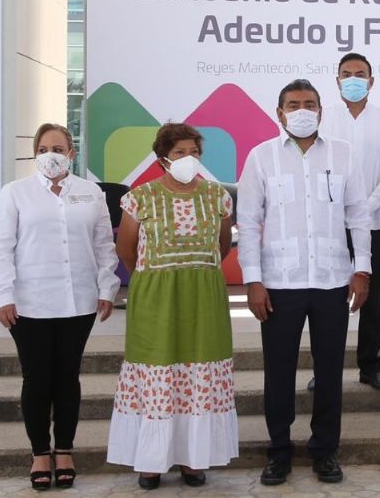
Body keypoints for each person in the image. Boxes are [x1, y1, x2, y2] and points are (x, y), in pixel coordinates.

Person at [237, 79, 371, 486]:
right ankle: (278, 451)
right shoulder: (261, 159)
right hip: (280, 282)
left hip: (332, 281)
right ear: (279, 113)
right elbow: (249, 221)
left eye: (309, 103)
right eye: (293, 104)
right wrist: (253, 280)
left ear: (320, 110)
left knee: (330, 371)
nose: (302, 110)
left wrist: (362, 269)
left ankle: (325, 451)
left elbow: (359, 217)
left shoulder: (345, 155)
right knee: (279, 371)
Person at [0, 123, 119, 490]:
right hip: (29, 304)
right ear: (35, 153)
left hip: (78, 300)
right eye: (43, 148)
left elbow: (104, 245)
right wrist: (2, 295)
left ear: (71, 153)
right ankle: (40, 453)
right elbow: (0, 248)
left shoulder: (91, 193)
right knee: (36, 379)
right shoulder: (15, 193)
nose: (50, 154)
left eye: (58, 148)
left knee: (67, 378)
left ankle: (65, 451)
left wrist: (106, 287)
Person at [106, 123, 237, 489]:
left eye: (193, 152)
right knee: (158, 374)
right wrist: (155, 279)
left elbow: (222, 247)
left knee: (197, 376)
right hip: (155, 301)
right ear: (162, 157)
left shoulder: (217, 197)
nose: (188, 159)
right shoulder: (140, 197)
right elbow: (126, 251)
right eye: (179, 153)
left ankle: (194, 460)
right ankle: (151, 462)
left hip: (204, 298)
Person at [316, 52, 380, 391]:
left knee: (373, 298)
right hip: (330, 225)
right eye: (346, 73)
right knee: (328, 300)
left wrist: (364, 206)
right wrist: (340, 210)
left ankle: (370, 366)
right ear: (336, 79)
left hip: (375, 221)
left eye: (360, 74)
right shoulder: (323, 119)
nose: (353, 79)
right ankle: (324, 370)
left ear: (371, 80)